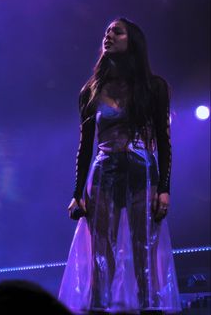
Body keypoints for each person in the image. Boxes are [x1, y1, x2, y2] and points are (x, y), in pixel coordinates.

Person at [59, 17, 181, 314]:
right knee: (102, 250)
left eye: (117, 31)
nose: (109, 35)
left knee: (144, 247)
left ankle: (149, 306)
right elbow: (84, 145)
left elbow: (164, 141)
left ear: (132, 41)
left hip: (142, 172)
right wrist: (77, 192)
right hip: (104, 173)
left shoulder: (154, 87)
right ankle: (100, 307)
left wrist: (164, 188)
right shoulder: (91, 90)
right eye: (107, 32)